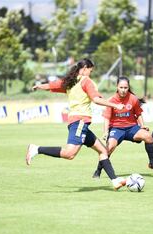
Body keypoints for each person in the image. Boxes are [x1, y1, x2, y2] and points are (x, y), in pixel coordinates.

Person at [26, 58, 127, 190]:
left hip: (80, 123)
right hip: (80, 122)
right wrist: (115, 105)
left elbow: (52, 85)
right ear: (85, 68)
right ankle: (36, 149)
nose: (90, 73)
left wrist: (39, 86)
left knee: (103, 151)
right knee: (70, 154)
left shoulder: (71, 81)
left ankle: (114, 180)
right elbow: (96, 99)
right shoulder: (86, 81)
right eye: (90, 70)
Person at [92, 76, 153, 178]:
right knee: (109, 148)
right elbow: (106, 118)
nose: (123, 90)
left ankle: (152, 163)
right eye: (121, 87)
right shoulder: (111, 100)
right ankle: (98, 171)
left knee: (148, 136)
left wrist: (142, 126)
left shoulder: (133, 98)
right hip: (116, 129)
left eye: (125, 88)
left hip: (131, 128)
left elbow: (138, 114)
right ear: (117, 87)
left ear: (128, 87)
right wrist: (105, 132)